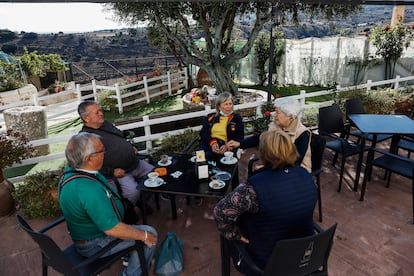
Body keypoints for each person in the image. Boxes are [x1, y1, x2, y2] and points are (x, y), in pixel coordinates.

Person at [214, 130, 317, 275]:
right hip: (305, 255)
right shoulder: (306, 175)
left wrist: (235, 235)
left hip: (266, 261)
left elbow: (220, 212)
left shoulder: (253, 187)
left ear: (264, 154)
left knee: (230, 231)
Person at [59, 132, 157, 276]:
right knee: (150, 234)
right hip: (94, 243)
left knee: (136, 231)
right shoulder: (87, 189)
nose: (105, 153)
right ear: (89, 158)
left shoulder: (72, 173)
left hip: (86, 235)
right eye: (101, 150)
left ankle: (129, 255)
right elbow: (113, 229)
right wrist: (144, 236)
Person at [78, 101, 154, 205]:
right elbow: (88, 166)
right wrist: (112, 172)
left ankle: (142, 202)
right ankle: (127, 214)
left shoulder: (106, 124)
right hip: (120, 174)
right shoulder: (85, 138)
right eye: (97, 112)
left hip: (135, 163)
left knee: (156, 175)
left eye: (101, 110)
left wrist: (131, 147)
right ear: (86, 118)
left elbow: (121, 137)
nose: (101, 113)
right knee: (133, 193)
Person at [228, 98, 311, 172]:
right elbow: (261, 138)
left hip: (295, 171)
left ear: (289, 116)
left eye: (277, 112)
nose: (274, 115)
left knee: (258, 178)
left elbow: (295, 162)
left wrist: (267, 169)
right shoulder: (276, 125)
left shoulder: (302, 133)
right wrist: (239, 144)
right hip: (276, 166)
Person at [199, 92, 244, 157]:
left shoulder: (236, 119)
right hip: (209, 146)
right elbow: (203, 133)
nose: (228, 107)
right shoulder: (210, 117)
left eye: (230, 104)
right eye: (225, 104)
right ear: (219, 106)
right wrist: (212, 142)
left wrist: (228, 146)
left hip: (227, 149)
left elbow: (240, 138)